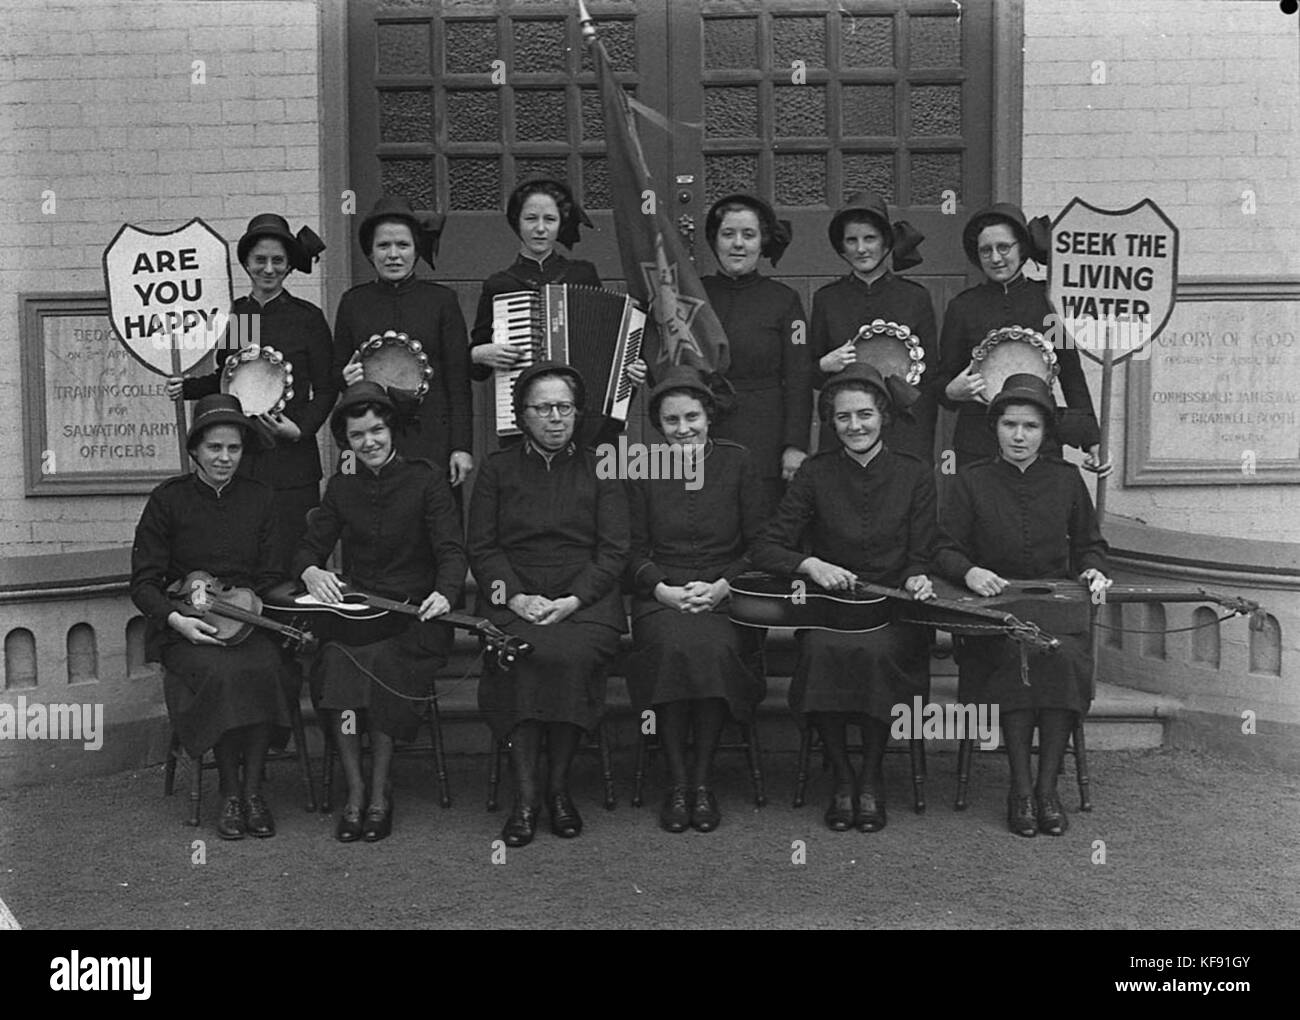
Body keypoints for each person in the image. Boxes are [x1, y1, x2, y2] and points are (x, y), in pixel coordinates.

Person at [751, 363, 936, 833]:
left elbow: (922, 551)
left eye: (865, 415)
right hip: (831, 605)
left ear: (884, 417)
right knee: (819, 650)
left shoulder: (914, 474)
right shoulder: (815, 474)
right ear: (830, 423)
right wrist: (811, 565)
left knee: (876, 653)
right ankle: (842, 775)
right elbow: (768, 546)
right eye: (842, 418)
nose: (855, 426)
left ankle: (871, 777)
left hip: (894, 610)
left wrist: (917, 577)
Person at [934, 374, 1110, 837]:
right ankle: (1020, 788)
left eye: (1030, 426)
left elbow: (1091, 545)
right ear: (994, 428)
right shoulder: (972, 480)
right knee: (1019, 655)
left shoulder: (1067, 479)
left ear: (1045, 432)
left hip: (1055, 615)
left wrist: (1091, 570)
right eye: (1009, 424)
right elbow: (944, 548)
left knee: (1063, 657)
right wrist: (968, 572)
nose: (1018, 436)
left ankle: (1047, 790)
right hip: (992, 621)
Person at [293, 382, 467, 842]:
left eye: (377, 430)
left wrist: (447, 593)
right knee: (334, 662)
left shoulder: (426, 480)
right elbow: (310, 547)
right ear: (346, 442)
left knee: (384, 663)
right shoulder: (341, 487)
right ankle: (355, 790)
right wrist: (310, 571)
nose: (369, 442)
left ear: (392, 430)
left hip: (414, 616)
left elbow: (451, 549)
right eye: (357, 435)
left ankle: (379, 792)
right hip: (358, 614)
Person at [467, 361, 629, 848]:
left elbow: (614, 549)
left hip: (586, 598)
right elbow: (483, 547)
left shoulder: (603, 462)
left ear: (578, 413)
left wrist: (572, 599)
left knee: (569, 656)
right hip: (516, 594)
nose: (555, 418)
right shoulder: (497, 469)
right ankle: (525, 796)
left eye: (565, 408)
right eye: (543, 409)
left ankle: (558, 790)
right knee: (518, 656)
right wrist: (514, 596)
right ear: (522, 415)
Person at [130, 394, 288, 841]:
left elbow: (273, 570)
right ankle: (231, 792)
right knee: (220, 673)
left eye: (233, 449)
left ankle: (254, 791)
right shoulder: (168, 499)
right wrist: (176, 619)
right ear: (196, 450)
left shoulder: (261, 498)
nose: (224, 458)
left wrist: (247, 599)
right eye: (214, 448)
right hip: (184, 628)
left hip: (244, 620)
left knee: (267, 666)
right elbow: (143, 581)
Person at [625, 366, 769, 833]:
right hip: (661, 595)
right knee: (670, 646)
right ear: (659, 426)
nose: (683, 429)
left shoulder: (739, 461)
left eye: (692, 417)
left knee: (714, 647)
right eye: (672, 421)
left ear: (709, 416)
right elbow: (630, 549)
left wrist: (723, 586)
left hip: (726, 594)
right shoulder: (641, 466)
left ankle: (702, 783)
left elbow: (759, 545)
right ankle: (676, 782)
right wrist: (662, 589)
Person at [166, 213, 335, 575]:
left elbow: (327, 387)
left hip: (291, 459)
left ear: (290, 265)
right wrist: (188, 387)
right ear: (246, 263)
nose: (268, 269)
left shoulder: (307, 317)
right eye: (260, 260)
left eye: (278, 261)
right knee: (247, 549)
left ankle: (297, 628)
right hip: (245, 455)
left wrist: (301, 428)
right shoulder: (238, 317)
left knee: (293, 550)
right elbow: (227, 380)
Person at [935, 203, 1110, 474]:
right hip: (979, 445)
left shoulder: (1048, 302)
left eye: (1004, 247)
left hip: (1040, 440)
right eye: (986, 250)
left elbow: (1071, 374)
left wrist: (1093, 441)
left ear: (1021, 248)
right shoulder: (963, 308)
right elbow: (943, 378)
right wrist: (951, 391)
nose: (995, 258)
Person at [469, 178, 645, 445]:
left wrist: (631, 367)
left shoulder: (582, 273)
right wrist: (480, 353)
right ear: (517, 222)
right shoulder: (500, 284)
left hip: (581, 420)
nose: (540, 229)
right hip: (525, 421)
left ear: (560, 224)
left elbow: (607, 343)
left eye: (549, 219)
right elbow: (477, 369)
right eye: (531, 218)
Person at [333, 195, 473, 490]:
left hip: (431, 437)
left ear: (416, 250)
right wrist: (345, 380)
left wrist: (461, 446)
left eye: (403, 245)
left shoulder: (441, 301)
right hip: (372, 439)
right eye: (383, 246)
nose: (393, 255)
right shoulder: (353, 303)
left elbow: (458, 381)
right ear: (370, 253)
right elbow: (336, 371)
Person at [701, 193, 812, 507]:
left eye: (748, 235)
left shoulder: (784, 300)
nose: (738, 244)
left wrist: (794, 445)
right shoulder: (695, 296)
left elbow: (800, 377)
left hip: (766, 434)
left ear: (762, 242)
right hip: (707, 430)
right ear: (714, 240)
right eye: (728, 234)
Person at [810, 191, 937, 462]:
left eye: (870, 238)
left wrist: (921, 439)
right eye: (851, 240)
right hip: (845, 430)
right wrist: (824, 365)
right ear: (842, 248)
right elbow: (808, 372)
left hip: (903, 431)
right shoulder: (827, 299)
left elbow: (930, 375)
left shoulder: (915, 297)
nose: (861, 249)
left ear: (886, 243)